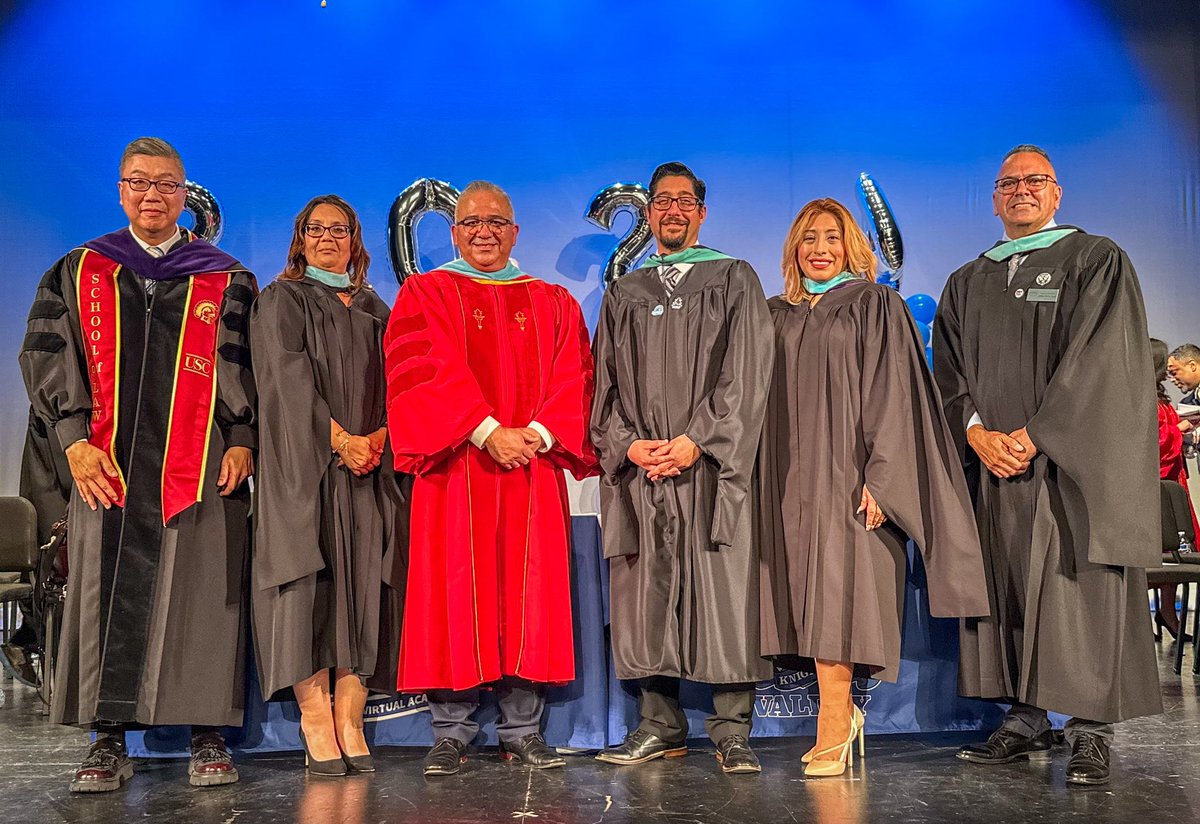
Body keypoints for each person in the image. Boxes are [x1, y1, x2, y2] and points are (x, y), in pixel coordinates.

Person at [18, 137, 256, 791]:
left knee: (204, 598)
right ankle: (108, 741)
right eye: (139, 183)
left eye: (166, 184)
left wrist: (244, 438)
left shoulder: (225, 277)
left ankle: (208, 735)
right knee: (105, 600)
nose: (152, 195)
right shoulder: (79, 269)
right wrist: (72, 438)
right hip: (108, 466)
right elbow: (45, 355)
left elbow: (246, 367)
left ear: (186, 195)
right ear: (121, 191)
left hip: (200, 465)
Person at [933, 144, 1161, 787]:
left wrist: (1036, 435)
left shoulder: (1095, 260)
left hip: (1069, 470)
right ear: (994, 196)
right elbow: (947, 374)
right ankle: (1026, 718)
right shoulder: (968, 280)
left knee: (1078, 590)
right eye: (1009, 183)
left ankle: (1089, 730)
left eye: (1036, 181)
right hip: (996, 468)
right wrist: (976, 432)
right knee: (1008, 591)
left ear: (1057, 193)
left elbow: (1103, 367)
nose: (1022, 190)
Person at [757, 198, 989, 777]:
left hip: (849, 479)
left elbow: (897, 398)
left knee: (839, 597)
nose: (818, 248)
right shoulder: (773, 312)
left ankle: (835, 721)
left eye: (831, 237)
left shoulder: (875, 304)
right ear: (792, 248)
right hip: (787, 480)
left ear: (851, 245)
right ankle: (836, 719)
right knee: (799, 600)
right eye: (807, 238)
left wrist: (884, 480)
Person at [383, 180, 598, 776]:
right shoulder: (425, 294)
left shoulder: (554, 302)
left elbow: (576, 377)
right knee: (454, 596)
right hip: (456, 471)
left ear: (515, 231)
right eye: (472, 222)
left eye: (497, 222)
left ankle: (523, 730)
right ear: (453, 231)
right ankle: (451, 732)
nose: (484, 231)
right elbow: (420, 371)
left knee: (530, 598)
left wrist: (539, 433)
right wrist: (484, 431)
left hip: (530, 469)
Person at [591, 161, 773, 775]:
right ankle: (658, 726)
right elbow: (604, 389)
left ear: (700, 211)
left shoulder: (733, 277)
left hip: (711, 470)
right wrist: (630, 445)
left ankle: (731, 730)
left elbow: (747, 375)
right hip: (644, 470)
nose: (672, 210)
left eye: (684, 201)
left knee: (724, 589)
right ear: (648, 214)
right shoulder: (625, 292)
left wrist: (698, 440)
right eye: (661, 201)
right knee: (647, 591)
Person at [250, 195, 407, 776]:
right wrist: (340, 439)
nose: (326, 238)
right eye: (314, 229)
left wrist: (384, 435)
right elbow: (283, 384)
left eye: (338, 230)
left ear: (355, 240)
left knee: (363, 586)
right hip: (304, 471)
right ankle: (315, 719)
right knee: (308, 588)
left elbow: (405, 379)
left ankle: (351, 716)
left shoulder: (375, 307)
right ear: (299, 239)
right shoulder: (281, 300)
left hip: (371, 471)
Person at [1152, 338, 1199, 639]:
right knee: (1160, 552)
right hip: (1157, 487)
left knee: (1176, 550)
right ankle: (1163, 614)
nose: (1171, 376)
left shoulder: (1163, 401)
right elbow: (1153, 444)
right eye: (1166, 370)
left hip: (1173, 484)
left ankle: (1167, 612)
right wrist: (1177, 431)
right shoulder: (1142, 400)